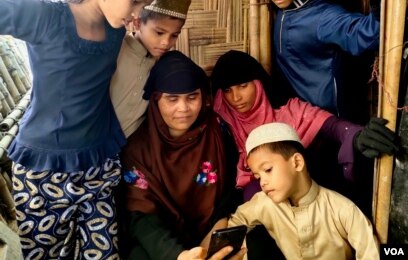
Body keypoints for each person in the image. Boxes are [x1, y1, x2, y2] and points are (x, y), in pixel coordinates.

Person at [1, 0, 164, 259]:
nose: (136, 16)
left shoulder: (116, 30)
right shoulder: (45, 17)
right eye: (135, 1)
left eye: (143, 7)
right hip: (42, 173)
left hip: (97, 165)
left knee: (105, 254)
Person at [211, 50, 398, 202]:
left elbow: (333, 127)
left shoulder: (287, 110)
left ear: (258, 84)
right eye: (227, 90)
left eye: (243, 86)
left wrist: (356, 136)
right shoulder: (222, 123)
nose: (235, 98)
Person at [121, 50, 245, 260]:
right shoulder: (138, 149)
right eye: (172, 99)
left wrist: (216, 233)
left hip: (212, 235)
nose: (183, 108)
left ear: (203, 97)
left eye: (192, 97)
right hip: (163, 246)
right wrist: (178, 255)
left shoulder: (217, 131)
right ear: (156, 99)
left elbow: (232, 188)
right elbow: (139, 215)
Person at [254, 0, 381, 118]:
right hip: (295, 116)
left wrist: (381, 5)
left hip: (327, 120)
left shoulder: (323, 16)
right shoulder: (279, 10)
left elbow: (361, 34)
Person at [228, 122, 380, 260]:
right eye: (257, 176)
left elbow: (370, 253)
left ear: (297, 162)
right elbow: (235, 223)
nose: (263, 182)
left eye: (268, 170)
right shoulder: (265, 203)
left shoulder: (342, 209)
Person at [110, 0, 192, 138]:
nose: (166, 42)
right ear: (138, 23)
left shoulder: (163, 67)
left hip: (130, 149)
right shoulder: (116, 50)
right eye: (159, 32)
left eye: (174, 35)